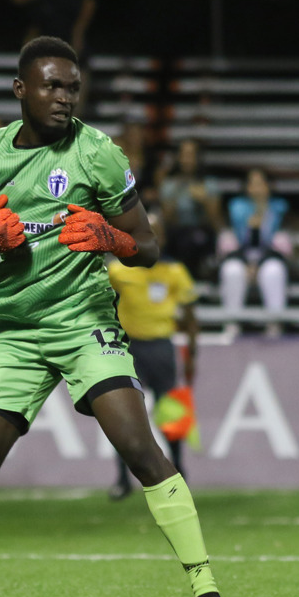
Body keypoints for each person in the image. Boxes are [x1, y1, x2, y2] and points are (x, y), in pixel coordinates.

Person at [0, 36, 246, 597]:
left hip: (85, 325)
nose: (64, 97)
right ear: (20, 89)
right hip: (20, 332)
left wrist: (111, 237)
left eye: (72, 86)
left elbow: (148, 248)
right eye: (51, 85)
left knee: (140, 447)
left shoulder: (98, 153)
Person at [106, 213, 197, 500]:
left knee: (170, 412)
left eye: (155, 234)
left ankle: (179, 470)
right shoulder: (118, 271)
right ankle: (122, 479)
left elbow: (191, 316)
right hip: (128, 348)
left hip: (161, 346)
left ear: (162, 239)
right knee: (125, 415)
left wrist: (192, 353)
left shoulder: (174, 272)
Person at [218, 168, 292, 337]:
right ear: (246, 187)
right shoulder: (236, 207)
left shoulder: (279, 208)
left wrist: (258, 264)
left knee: (273, 271)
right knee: (232, 270)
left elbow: (284, 246)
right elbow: (226, 242)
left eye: (261, 184)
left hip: (269, 258)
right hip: (240, 258)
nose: (257, 188)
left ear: (268, 186)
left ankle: (274, 325)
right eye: (252, 184)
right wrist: (246, 263)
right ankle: (232, 324)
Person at [159, 138, 224, 280]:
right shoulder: (169, 185)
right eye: (184, 155)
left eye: (191, 155)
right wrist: (175, 197)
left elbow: (217, 224)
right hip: (177, 233)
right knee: (182, 241)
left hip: (202, 232)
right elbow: (167, 221)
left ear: (198, 158)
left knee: (196, 240)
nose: (187, 160)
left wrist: (205, 201)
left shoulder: (209, 184)